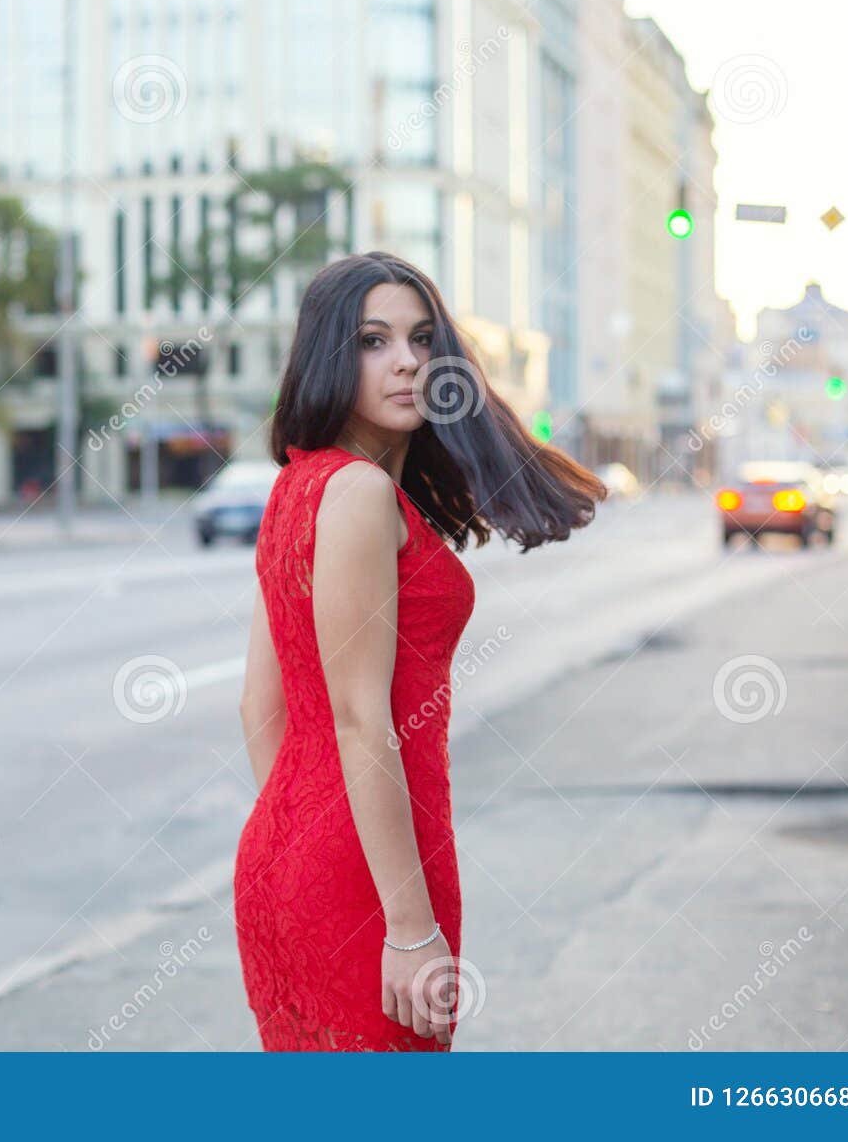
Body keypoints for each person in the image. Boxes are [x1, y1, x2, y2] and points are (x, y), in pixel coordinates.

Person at [233, 251, 606, 1051]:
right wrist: (406, 922)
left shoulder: (297, 485)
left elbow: (261, 709)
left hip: (289, 861)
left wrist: (301, 844)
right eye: (373, 340)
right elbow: (362, 722)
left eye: (421, 337)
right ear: (329, 356)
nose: (406, 360)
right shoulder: (360, 494)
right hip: (369, 880)